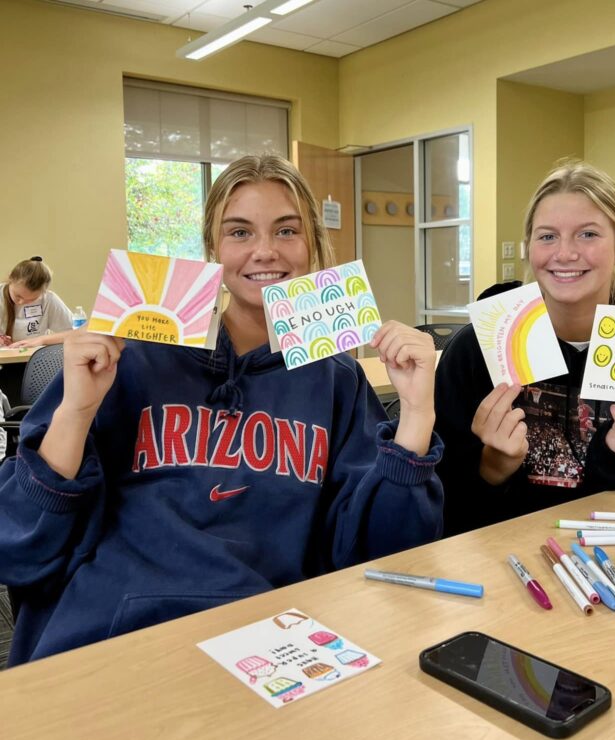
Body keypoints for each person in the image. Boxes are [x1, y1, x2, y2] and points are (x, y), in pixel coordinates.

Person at [0, 154, 443, 666]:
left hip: (269, 650)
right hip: (113, 638)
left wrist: (414, 418)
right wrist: (76, 411)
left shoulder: (336, 380)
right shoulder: (132, 356)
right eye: (239, 233)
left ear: (313, 245)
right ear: (212, 248)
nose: (264, 251)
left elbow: (386, 555)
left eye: (286, 230)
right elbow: (17, 546)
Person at [435, 160, 615, 536]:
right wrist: (492, 466)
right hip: (499, 555)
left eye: (588, 234)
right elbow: (442, 502)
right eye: (548, 236)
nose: (564, 253)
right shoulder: (476, 350)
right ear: (529, 247)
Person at [0, 256, 74, 347]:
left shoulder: (48, 299)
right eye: (18, 296)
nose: (21, 302)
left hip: (36, 358)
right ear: (10, 279)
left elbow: (76, 332)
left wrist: (42, 340)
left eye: (31, 300)